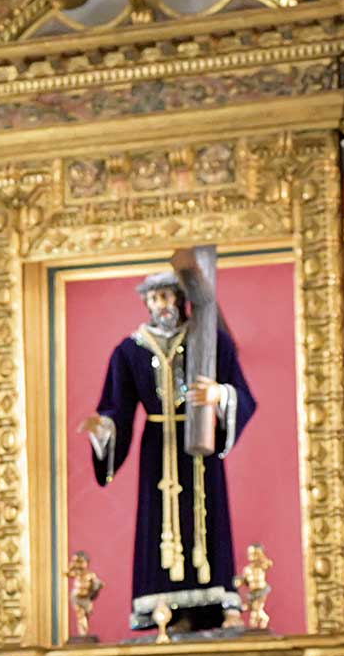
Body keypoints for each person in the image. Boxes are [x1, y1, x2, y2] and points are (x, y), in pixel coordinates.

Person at [83, 269, 259, 633]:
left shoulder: (208, 340)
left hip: (199, 445)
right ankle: (166, 608)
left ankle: (219, 602)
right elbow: (116, 407)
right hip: (158, 447)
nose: (164, 304)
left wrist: (219, 396)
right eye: (156, 298)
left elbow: (240, 391)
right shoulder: (130, 350)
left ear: (181, 299)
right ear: (147, 303)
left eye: (169, 296)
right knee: (159, 520)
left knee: (208, 514)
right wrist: (104, 431)